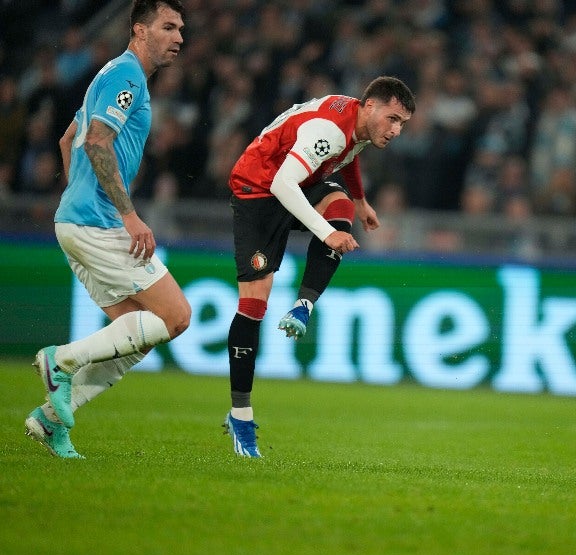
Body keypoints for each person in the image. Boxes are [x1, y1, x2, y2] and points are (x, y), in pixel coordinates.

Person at [25, 0, 191, 459]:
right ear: (140, 30)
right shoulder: (127, 77)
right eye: (168, 27)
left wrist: (76, 195)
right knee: (176, 317)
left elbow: (68, 139)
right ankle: (60, 360)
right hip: (98, 222)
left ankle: (51, 420)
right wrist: (128, 215)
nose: (179, 37)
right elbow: (97, 142)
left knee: (133, 338)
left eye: (181, 29)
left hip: (75, 220)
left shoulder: (110, 73)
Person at [224, 76, 415, 457]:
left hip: (297, 182)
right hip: (258, 189)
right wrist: (326, 233)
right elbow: (283, 183)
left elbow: (350, 152)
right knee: (254, 305)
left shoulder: (358, 123)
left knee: (340, 205)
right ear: (370, 106)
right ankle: (240, 416)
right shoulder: (328, 130)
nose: (396, 130)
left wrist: (359, 200)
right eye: (393, 119)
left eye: (402, 124)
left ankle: (303, 305)